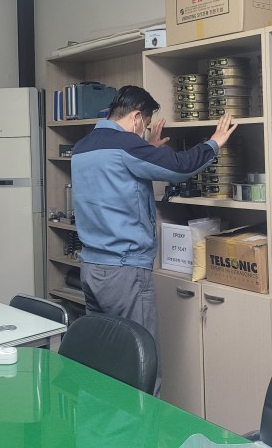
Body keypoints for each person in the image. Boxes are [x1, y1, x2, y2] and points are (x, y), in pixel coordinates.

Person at [70, 85, 237, 396]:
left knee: (105, 359)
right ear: (136, 117)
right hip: (126, 274)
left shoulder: (83, 147)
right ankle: (143, 425)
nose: (144, 130)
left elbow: (118, 179)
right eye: (145, 124)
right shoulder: (125, 146)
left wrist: (147, 148)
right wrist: (214, 143)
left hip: (91, 269)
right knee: (142, 364)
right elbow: (180, 167)